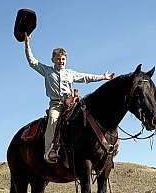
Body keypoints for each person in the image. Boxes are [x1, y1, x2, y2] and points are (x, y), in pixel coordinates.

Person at [24, 34, 114, 163]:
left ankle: (98, 144)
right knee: (53, 119)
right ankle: (49, 151)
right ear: (53, 59)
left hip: (72, 102)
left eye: (63, 59)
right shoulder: (47, 71)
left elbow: (85, 77)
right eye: (58, 59)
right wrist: (27, 44)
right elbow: (32, 61)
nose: (61, 61)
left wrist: (103, 77)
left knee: (88, 115)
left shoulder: (70, 73)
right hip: (56, 104)